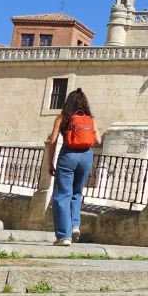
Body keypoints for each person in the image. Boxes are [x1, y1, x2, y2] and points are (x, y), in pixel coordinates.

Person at [44, 88, 97, 246]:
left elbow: (53, 140)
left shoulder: (62, 118)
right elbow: (98, 140)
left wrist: (49, 162)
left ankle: (63, 236)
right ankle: (75, 225)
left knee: (62, 195)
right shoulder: (90, 119)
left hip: (68, 156)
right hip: (86, 156)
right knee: (76, 193)